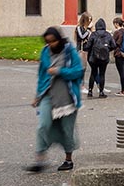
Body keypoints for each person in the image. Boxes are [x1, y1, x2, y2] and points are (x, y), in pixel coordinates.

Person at [26, 27, 83, 173]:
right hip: (48, 94)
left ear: (59, 39)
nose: (51, 44)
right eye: (48, 41)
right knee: (43, 125)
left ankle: (68, 159)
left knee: (67, 129)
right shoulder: (45, 52)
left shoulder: (70, 51)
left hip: (67, 97)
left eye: (53, 41)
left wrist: (60, 71)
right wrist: (38, 95)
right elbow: (41, 75)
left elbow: (78, 71)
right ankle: (40, 159)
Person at [84, 18, 115, 98]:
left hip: (93, 58)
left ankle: (90, 91)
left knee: (93, 73)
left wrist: (92, 50)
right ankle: (101, 92)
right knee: (102, 74)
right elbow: (114, 45)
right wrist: (107, 50)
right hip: (104, 58)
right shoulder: (108, 34)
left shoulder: (93, 34)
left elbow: (87, 46)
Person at [111, 17, 124, 96]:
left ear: (116, 24)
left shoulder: (117, 32)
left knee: (121, 72)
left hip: (119, 54)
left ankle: (123, 90)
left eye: (114, 24)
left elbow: (114, 43)